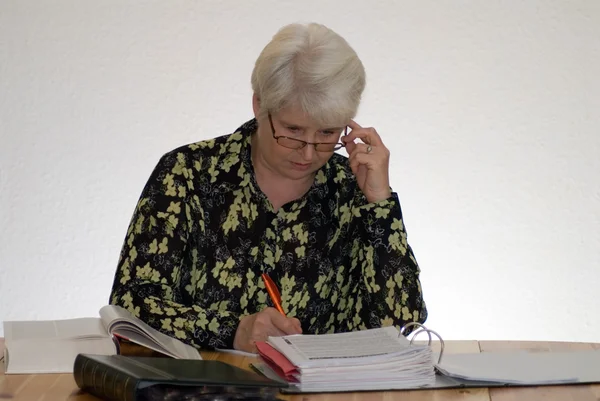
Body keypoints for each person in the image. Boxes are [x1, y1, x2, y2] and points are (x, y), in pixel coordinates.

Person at [108, 22, 427, 353]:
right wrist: (232, 331)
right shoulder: (188, 173)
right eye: (292, 130)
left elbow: (402, 325)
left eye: (327, 133)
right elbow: (130, 304)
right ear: (260, 106)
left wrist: (379, 204)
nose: (307, 152)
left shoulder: (352, 189)